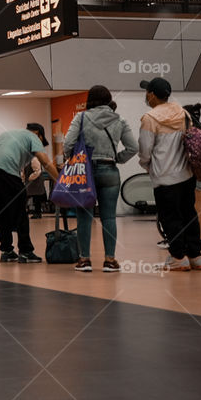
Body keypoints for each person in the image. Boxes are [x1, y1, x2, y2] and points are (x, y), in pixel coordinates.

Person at [64, 85, 138, 272]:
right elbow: (133, 147)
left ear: (90, 99)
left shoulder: (80, 117)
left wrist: (72, 157)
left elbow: (68, 143)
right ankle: (110, 260)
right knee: (109, 217)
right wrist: (117, 158)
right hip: (110, 170)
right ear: (108, 99)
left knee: (84, 217)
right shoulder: (119, 119)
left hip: (85, 171)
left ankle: (84, 260)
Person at [138, 78, 201, 271]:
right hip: (187, 174)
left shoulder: (150, 118)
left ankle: (177, 257)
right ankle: (196, 256)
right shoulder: (183, 113)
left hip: (165, 178)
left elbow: (145, 150)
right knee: (189, 214)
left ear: (151, 94)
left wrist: (146, 165)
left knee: (170, 217)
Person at [0, 124, 59, 263]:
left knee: (1, 212)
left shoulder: (7, 133)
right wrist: (61, 182)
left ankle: (7, 251)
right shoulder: (32, 136)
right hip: (5, 171)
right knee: (20, 212)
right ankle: (26, 251)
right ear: (39, 135)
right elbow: (45, 162)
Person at [183, 103, 201, 244]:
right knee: (198, 204)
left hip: (193, 173)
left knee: (197, 205)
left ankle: (200, 237)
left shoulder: (190, 131)